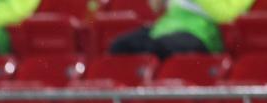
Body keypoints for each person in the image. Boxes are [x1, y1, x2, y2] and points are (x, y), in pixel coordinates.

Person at [109, 0, 254, 59]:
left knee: (155, 48)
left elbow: (227, 15)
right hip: (162, 30)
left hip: (200, 33)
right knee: (120, 46)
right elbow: (155, 7)